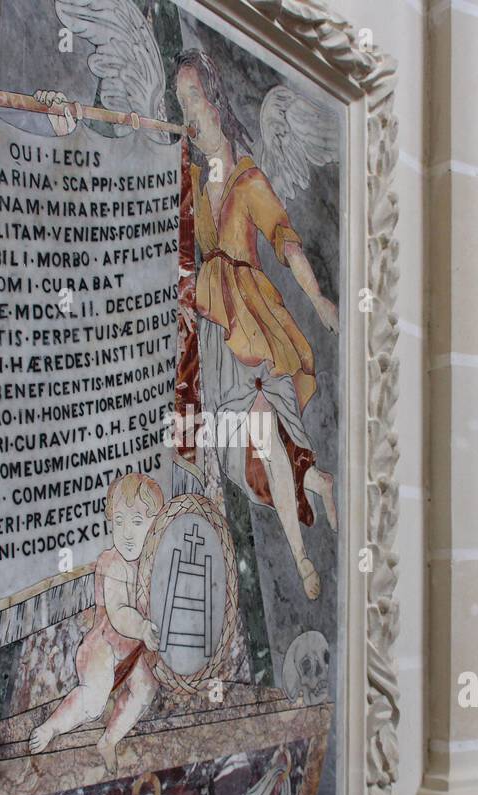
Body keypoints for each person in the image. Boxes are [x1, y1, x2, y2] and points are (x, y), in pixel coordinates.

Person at [175, 48, 338, 600]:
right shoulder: (194, 182)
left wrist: (318, 302)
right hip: (217, 327)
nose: (188, 110)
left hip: (251, 317)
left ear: (215, 99)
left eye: (194, 96)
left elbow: (285, 240)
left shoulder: (247, 180)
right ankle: (314, 480)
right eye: (180, 102)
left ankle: (299, 554)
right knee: (248, 447)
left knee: (265, 427)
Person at [29, 473, 165, 773]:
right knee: (94, 699)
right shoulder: (113, 563)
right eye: (119, 521)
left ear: (156, 526)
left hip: (133, 651)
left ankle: (110, 739)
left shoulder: (152, 564)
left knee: (145, 689)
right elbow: (117, 613)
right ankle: (52, 727)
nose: (127, 533)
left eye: (137, 522)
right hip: (104, 644)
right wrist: (143, 627)